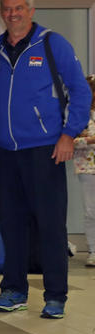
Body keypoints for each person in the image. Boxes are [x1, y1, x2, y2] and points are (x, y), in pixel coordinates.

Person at [0, 0, 90, 318]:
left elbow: (80, 90)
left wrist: (67, 134)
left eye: (19, 8)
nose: (12, 14)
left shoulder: (51, 43)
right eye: (7, 9)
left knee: (49, 226)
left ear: (30, 11)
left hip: (44, 149)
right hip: (6, 152)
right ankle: (13, 290)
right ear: (1, 13)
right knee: (12, 226)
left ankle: (56, 295)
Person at [72, 75, 95, 268]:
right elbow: (69, 141)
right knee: (90, 211)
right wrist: (87, 140)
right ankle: (93, 251)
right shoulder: (79, 114)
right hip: (87, 167)